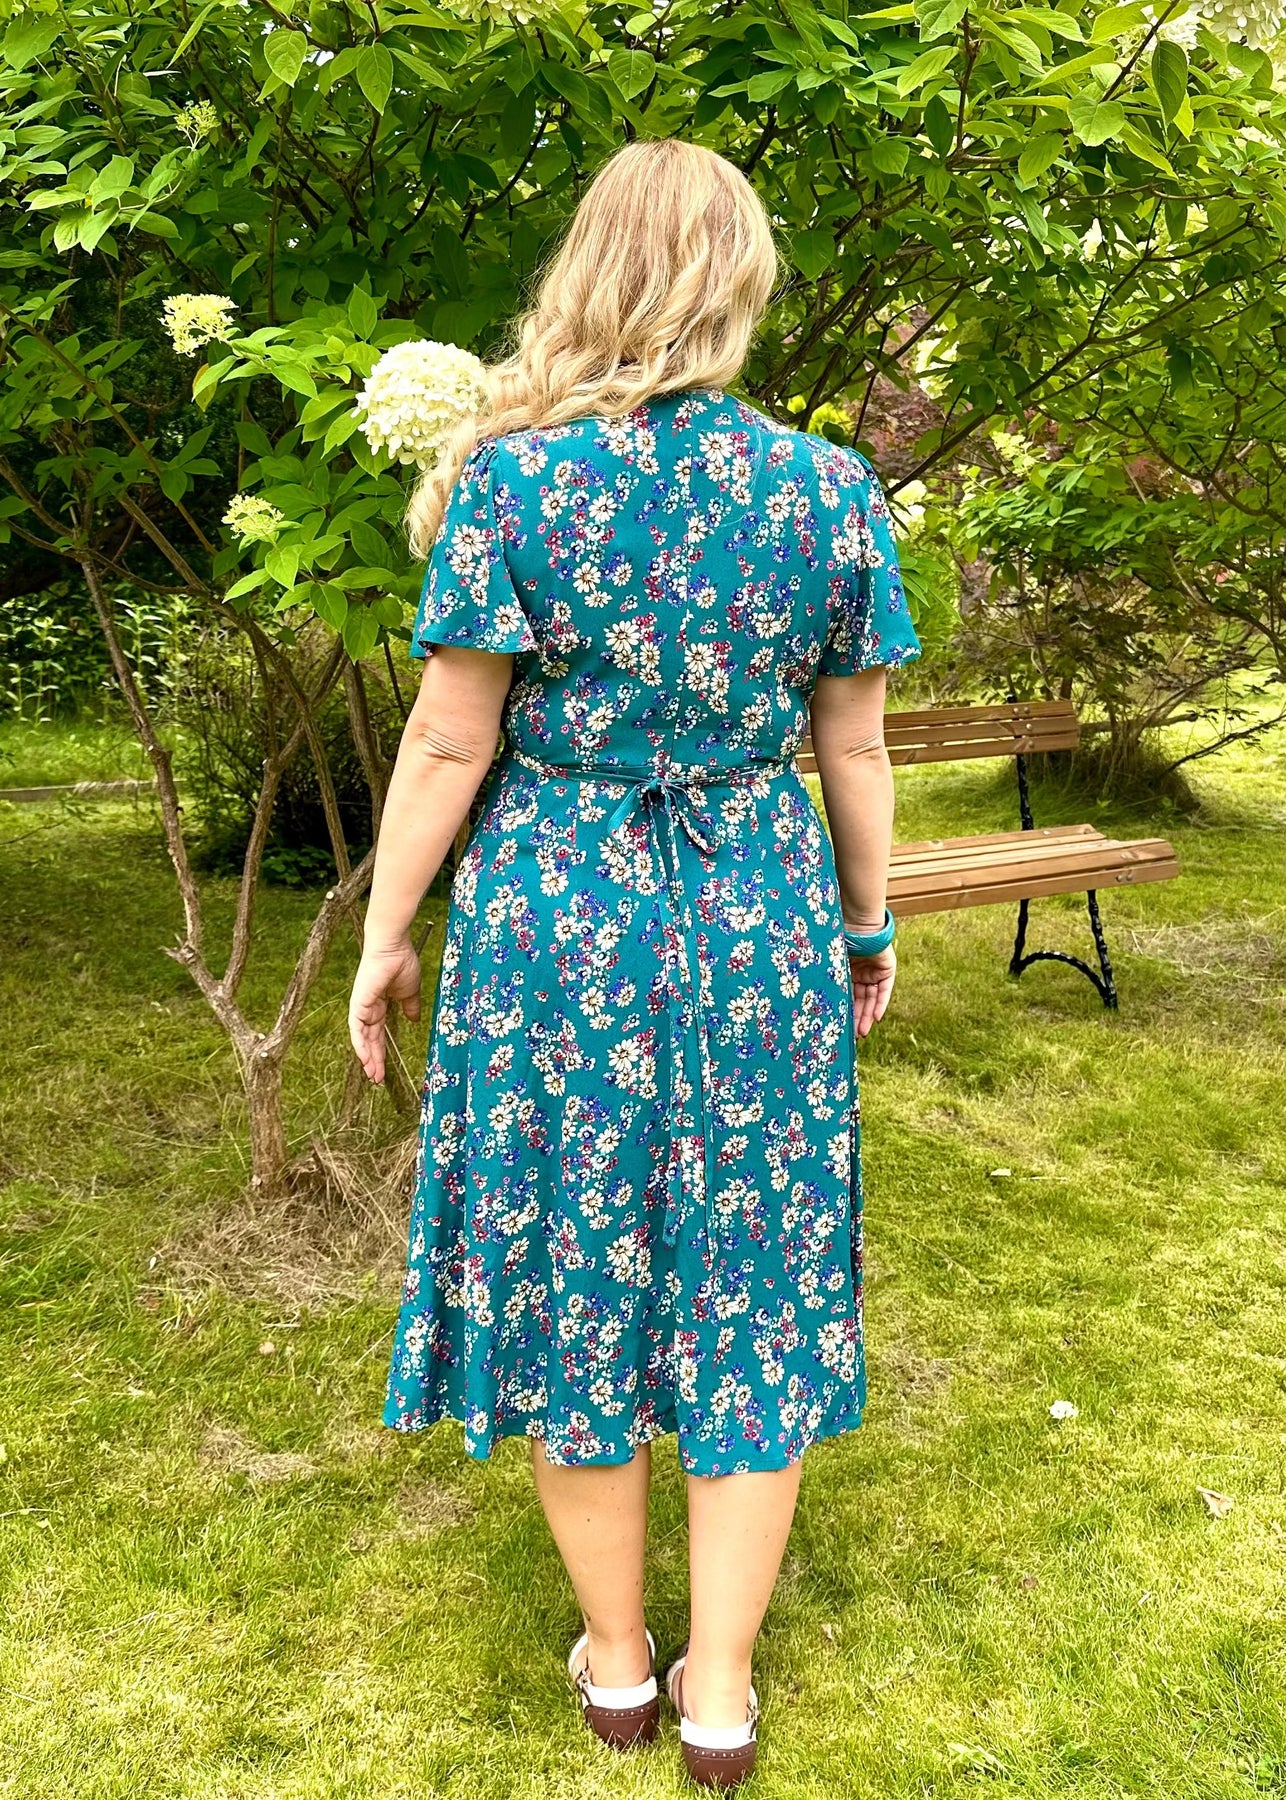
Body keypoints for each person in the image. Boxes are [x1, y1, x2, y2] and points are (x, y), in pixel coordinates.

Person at [348, 137, 921, 1789]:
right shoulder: (826, 490)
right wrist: (865, 925)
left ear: (587, 274)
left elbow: (448, 742)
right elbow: (853, 748)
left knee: (573, 1264)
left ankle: (616, 1667)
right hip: (754, 917)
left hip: (555, 916)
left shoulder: (512, 483)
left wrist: (386, 937)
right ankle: (717, 1692)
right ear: (738, 282)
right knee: (754, 1273)